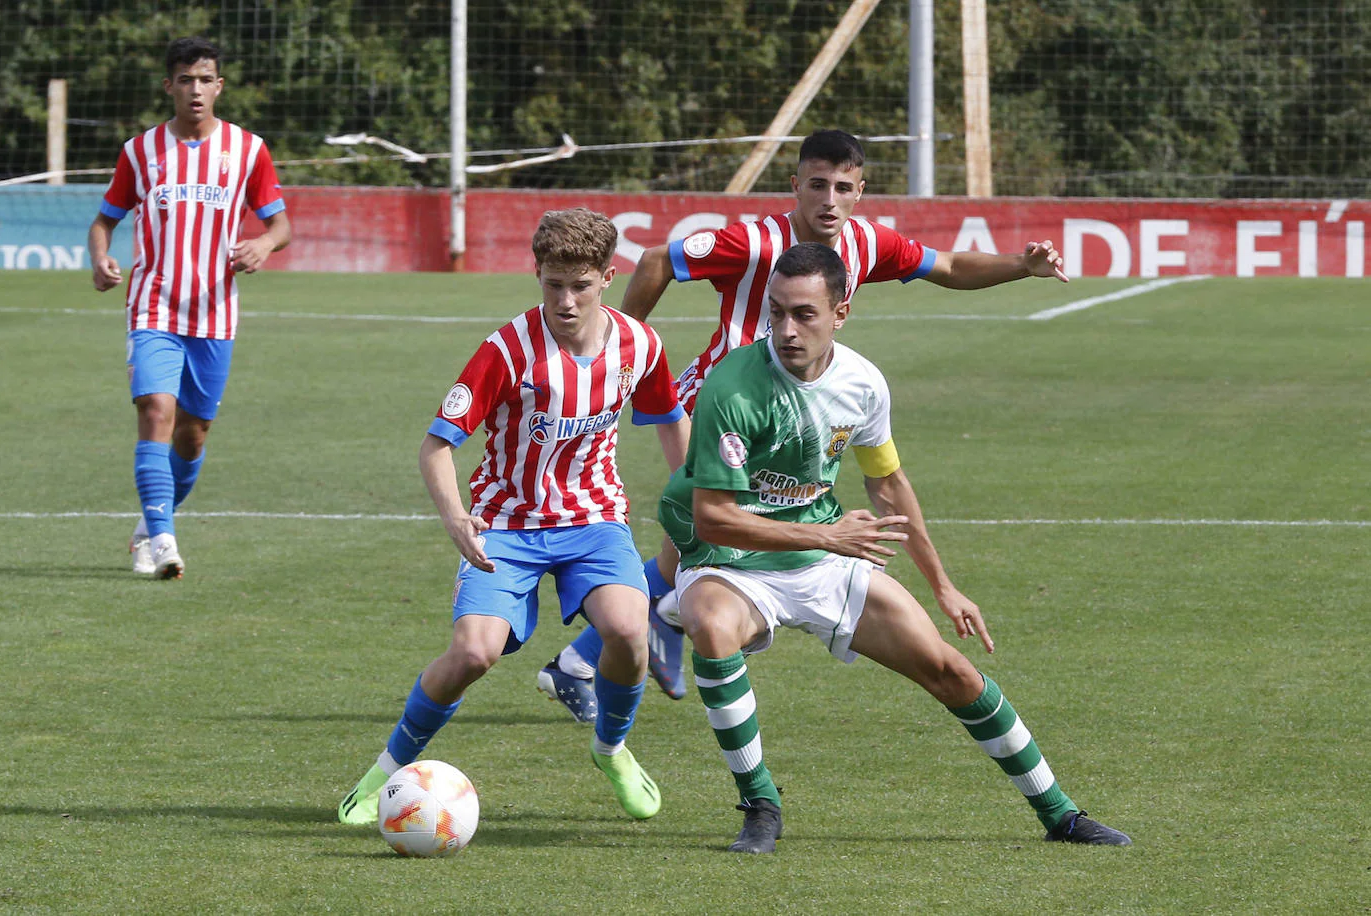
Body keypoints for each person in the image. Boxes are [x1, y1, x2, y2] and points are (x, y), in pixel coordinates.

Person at [538, 129, 1069, 719]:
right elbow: (660, 259)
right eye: (817, 185)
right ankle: (614, 645)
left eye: (843, 188)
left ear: (860, 193)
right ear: (796, 186)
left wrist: (1022, 265)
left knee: (689, 547)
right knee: (706, 532)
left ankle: (613, 645)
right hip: (720, 404)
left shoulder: (866, 241)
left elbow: (947, 265)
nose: (829, 200)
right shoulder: (758, 241)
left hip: (783, 413)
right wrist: (621, 350)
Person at [659, 242, 1130, 852]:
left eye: (803, 314)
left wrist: (943, 585)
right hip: (731, 555)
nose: (785, 329)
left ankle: (1061, 814)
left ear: (842, 312)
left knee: (949, 670)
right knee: (712, 627)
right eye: (776, 312)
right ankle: (761, 806)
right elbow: (716, 520)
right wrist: (830, 534)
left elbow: (886, 485)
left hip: (819, 553)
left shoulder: (862, 384)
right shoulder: (733, 386)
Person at [338, 208, 690, 826]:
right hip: (506, 523)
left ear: (608, 276)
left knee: (630, 631)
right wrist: (456, 518)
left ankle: (611, 749)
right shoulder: (507, 351)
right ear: (537, 274)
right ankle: (385, 772)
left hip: (595, 521)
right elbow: (436, 445)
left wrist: (695, 501)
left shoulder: (641, 344)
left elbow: (668, 420)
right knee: (474, 653)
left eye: (580, 285)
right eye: (553, 284)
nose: (566, 300)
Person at [88, 36, 291, 579]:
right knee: (156, 412)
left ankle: (150, 524)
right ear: (169, 86)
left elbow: (281, 225)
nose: (195, 89)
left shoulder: (248, 150)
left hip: (215, 314)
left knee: (193, 433)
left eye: (205, 79)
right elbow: (105, 219)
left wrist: (263, 245)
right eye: (185, 79)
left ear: (218, 86)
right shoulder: (140, 151)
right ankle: (163, 542)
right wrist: (101, 259)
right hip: (153, 305)